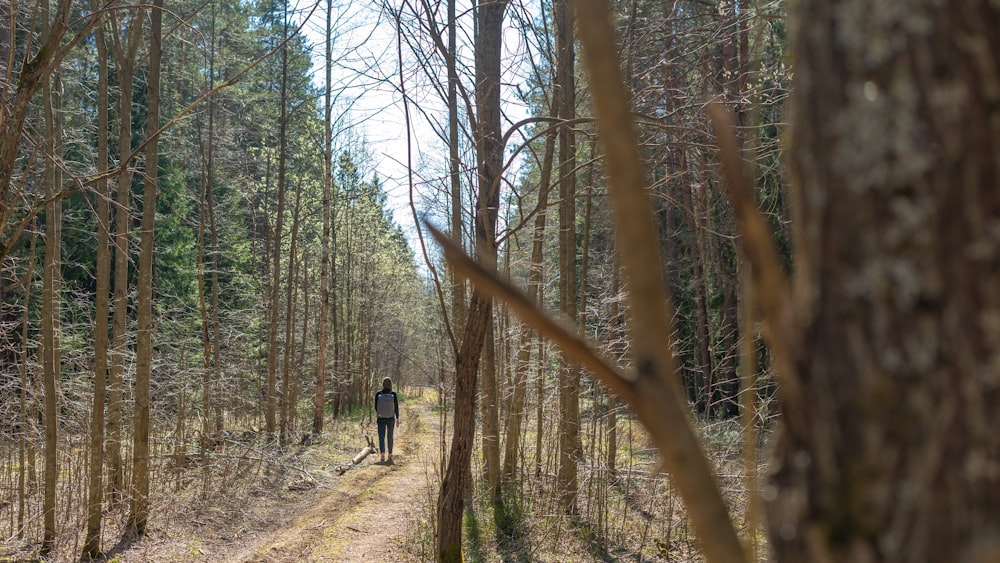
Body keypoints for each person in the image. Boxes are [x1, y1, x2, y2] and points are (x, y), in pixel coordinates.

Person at [374, 377, 400, 463]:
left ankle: (382, 454)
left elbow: (376, 407)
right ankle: (390, 453)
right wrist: (397, 418)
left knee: (381, 436)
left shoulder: (378, 394)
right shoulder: (393, 394)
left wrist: (381, 413)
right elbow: (396, 407)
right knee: (390, 436)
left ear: (383, 384)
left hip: (380, 418)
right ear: (390, 384)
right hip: (390, 418)